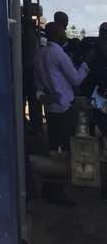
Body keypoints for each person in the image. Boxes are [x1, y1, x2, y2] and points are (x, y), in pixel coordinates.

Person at [34, 22, 89, 152]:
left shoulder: (39, 54)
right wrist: (86, 64)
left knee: (53, 144)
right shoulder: (58, 53)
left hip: (49, 106)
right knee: (67, 145)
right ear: (57, 34)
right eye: (62, 31)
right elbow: (75, 80)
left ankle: (52, 169)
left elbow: (38, 85)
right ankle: (63, 171)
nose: (65, 33)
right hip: (64, 108)